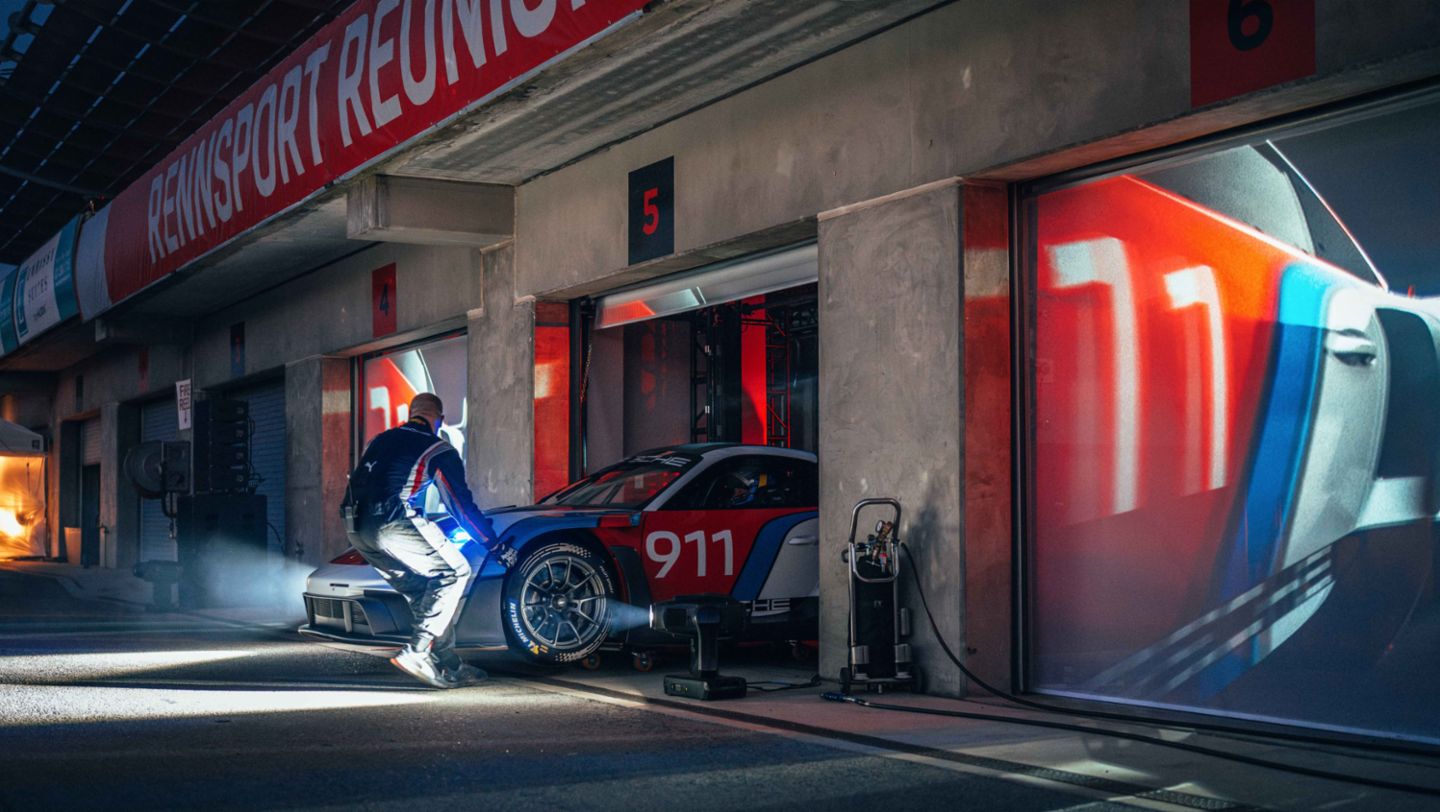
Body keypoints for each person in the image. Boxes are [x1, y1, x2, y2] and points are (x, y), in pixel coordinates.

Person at [343, 392, 518, 688]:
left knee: (424, 589)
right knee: (454, 572)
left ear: (411, 413)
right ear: (439, 420)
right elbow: (459, 506)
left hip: (355, 527)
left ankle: (447, 661)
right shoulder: (438, 447)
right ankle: (417, 651)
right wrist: (494, 544)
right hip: (392, 520)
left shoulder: (381, 439)